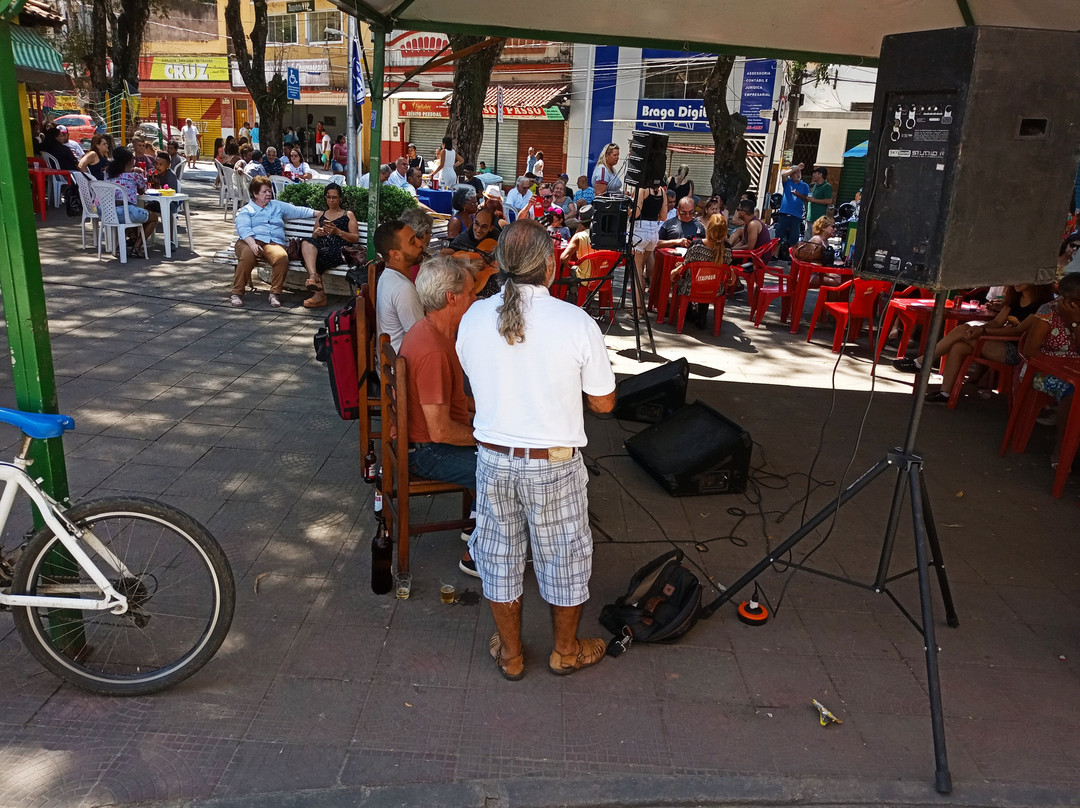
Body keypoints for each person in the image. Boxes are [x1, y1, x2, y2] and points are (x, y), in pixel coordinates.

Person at [456, 219, 617, 680]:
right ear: (550, 265)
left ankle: (510, 655)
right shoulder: (575, 321)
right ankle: (563, 652)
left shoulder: (472, 317)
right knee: (564, 556)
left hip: (492, 460)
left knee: (499, 556)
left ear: (501, 266)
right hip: (553, 464)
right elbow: (604, 403)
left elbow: (476, 381)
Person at [398, 256, 481, 576]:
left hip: (426, 441)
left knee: (503, 454)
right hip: (427, 452)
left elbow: (455, 402)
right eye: (471, 293)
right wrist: (489, 437)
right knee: (505, 472)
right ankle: (478, 555)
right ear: (452, 297)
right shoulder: (433, 348)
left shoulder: (435, 331)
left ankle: (477, 521)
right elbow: (441, 432)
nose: (475, 298)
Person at [895, 282, 1055, 396]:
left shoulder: (1041, 306)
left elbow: (1019, 332)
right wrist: (980, 329)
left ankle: (923, 363)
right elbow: (997, 322)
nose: (1015, 282)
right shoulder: (1014, 299)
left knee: (962, 331)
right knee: (958, 345)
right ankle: (945, 393)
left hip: (1018, 351)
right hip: (1000, 342)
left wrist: (983, 331)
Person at [231, 175, 317, 308]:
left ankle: (274, 294)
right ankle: (237, 293)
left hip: (272, 243)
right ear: (255, 194)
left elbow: (298, 211)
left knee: (282, 258)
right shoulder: (248, 210)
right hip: (249, 241)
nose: (268, 194)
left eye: (269, 191)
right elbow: (243, 228)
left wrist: (319, 213)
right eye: (264, 192)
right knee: (248, 256)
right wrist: (253, 244)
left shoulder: (276, 206)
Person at [299, 183, 359, 308]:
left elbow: (355, 238)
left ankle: (319, 294)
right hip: (322, 244)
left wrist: (338, 232)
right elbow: (313, 237)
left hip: (340, 248)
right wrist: (317, 232)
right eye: (328, 197)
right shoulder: (322, 214)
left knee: (317, 256)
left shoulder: (347, 215)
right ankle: (313, 278)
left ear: (340, 198)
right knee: (306, 243)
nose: (331, 200)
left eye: (334, 197)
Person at [670, 213, 734, 328]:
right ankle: (702, 316)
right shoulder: (728, 249)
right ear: (725, 232)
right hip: (715, 289)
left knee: (688, 278)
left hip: (692, 288)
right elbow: (728, 267)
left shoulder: (696, 245)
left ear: (708, 229)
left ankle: (689, 313)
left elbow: (686, 264)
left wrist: (676, 270)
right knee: (708, 279)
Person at [373, 220, 425, 350]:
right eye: (412, 241)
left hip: (393, 359)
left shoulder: (387, 276)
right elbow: (421, 338)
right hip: (400, 365)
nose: (420, 243)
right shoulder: (403, 289)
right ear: (395, 254)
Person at [101, 146, 159, 253]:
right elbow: (142, 191)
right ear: (129, 161)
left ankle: (130, 237)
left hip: (108, 212)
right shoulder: (135, 176)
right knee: (153, 217)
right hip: (127, 212)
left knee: (131, 215)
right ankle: (137, 245)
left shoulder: (107, 174)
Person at [632, 183, 668, 310]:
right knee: (640, 269)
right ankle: (642, 306)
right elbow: (664, 216)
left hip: (639, 231)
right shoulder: (662, 191)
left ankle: (637, 309)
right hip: (653, 232)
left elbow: (635, 213)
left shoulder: (642, 188)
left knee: (637, 271)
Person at [775, 163, 810, 254]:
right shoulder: (787, 182)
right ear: (791, 174)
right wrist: (796, 167)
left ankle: (792, 256)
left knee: (794, 238)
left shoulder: (805, 185)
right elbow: (783, 175)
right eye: (795, 172)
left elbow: (807, 198)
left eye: (799, 172)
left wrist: (798, 195)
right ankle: (775, 255)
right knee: (779, 236)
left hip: (797, 215)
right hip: (784, 213)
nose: (798, 174)